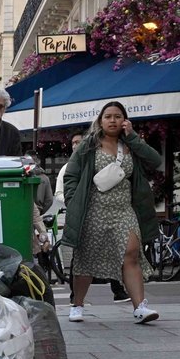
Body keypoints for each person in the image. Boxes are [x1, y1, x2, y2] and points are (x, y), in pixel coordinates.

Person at [61, 101, 162, 324]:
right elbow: (71, 176)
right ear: (100, 120)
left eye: (118, 116)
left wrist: (133, 136)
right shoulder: (88, 146)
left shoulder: (131, 145)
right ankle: (77, 305)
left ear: (125, 120)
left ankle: (140, 307)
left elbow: (156, 161)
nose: (113, 120)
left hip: (124, 209)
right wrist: (73, 201)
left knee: (132, 254)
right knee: (86, 259)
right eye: (108, 116)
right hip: (93, 210)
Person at [56, 130, 131, 303]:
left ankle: (118, 290)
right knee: (81, 255)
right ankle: (75, 297)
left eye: (79, 142)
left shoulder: (99, 161)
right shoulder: (67, 168)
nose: (76, 145)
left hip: (104, 213)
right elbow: (60, 192)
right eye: (73, 142)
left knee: (113, 249)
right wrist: (75, 203)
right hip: (81, 215)